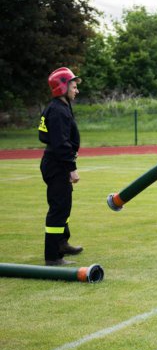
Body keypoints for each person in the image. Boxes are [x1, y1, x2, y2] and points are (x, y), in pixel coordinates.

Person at [38, 67, 84, 266]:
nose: (77, 91)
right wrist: (71, 168)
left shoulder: (59, 106)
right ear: (63, 87)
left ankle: (62, 243)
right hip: (58, 165)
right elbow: (61, 143)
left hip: (56, 163)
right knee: (59, 208)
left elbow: (44, 135)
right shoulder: (57, 110)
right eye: (74, 87)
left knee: (63, 206)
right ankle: (53, 256)